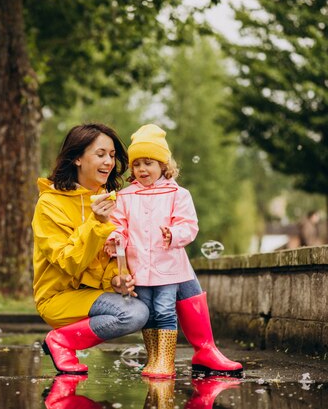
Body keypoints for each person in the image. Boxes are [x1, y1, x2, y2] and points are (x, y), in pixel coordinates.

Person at [109, 124, 243, 378]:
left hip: (168, 268)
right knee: (147, 313)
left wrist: (174, 235)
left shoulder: (177, 194)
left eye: (149, 163)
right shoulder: (125, 196)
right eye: (137, 164)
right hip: (139, 269)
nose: (142, 169)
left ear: (162, 165)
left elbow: (189, 225)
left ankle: (166, 362)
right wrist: (115, 237)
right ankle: (154, 359)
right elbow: (119, 225)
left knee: (164, 310)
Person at [32, 123, 150, 375]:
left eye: (112, 155)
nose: (108, 162)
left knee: (150, 298)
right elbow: (68, 262)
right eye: (100, 154)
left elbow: (112, 255)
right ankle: (61, 341)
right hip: (59, 298)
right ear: (76, 158)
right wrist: (96, 223)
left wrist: (117, 279)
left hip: (94, 293)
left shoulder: (110, 200)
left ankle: (168, 358)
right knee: (134, 314)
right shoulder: (49, 204)